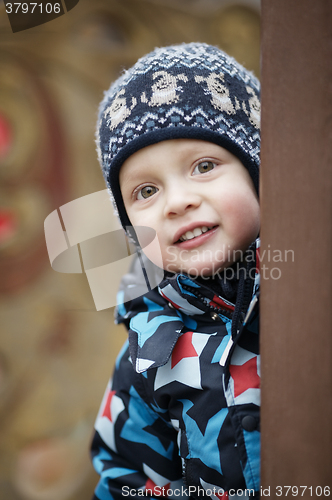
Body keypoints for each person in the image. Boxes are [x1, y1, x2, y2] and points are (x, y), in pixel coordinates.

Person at [91, 43, 261, 500]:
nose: (176, 202)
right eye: (146, 191)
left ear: (259, 175)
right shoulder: (149, 347)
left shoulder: (312, 290)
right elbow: (124, 476)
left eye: (204, 166)